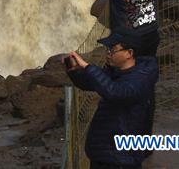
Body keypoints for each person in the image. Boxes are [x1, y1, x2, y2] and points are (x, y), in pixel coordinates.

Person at [66, 31, 159, 169]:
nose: (108, 53)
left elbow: (116, 93)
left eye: (113, 50)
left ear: (129, 53)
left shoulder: (140, 78)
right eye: (107, 49)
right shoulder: (116, 72)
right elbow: (89, 83)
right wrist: (73, 70)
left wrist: (87, 67)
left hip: (120, 159)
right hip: (106, 154)